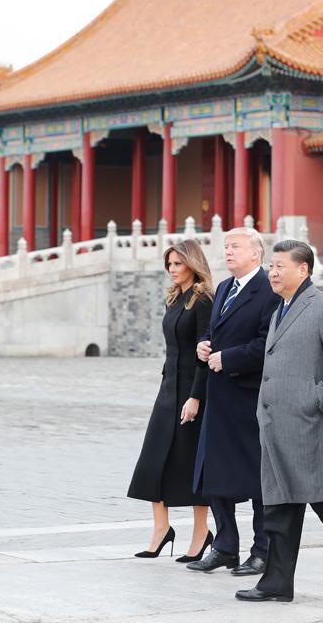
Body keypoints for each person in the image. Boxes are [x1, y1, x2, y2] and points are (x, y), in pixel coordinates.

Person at [235, 240, 323, 603]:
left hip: (308, 425)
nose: (273, 272)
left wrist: (317, 399)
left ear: (304, 269)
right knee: (278, 508)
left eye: (281, 266)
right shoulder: (280, 308)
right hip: (275, 423)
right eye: (272, 266)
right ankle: (276, 582)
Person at [188, 227, 278, 576]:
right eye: (226, 247)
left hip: (248, 397)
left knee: (255, 479)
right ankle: (225, 545)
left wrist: (229, 358)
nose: (228, 252)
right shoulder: (224, 288)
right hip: (218, 396)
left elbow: (266, 344)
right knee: (214, 473)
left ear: (256, 253)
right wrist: (204, 346)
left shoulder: (267, 291)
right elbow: (214, 332)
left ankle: (262, 550)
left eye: (236, 247)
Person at [127, 240, 214, 561]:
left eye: (178, 263)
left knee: (190, 465)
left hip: (191, 393)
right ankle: (162, 529)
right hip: (168, 390)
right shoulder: (175, 298)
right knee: (152, 461)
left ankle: (202, 533)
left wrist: (195, 397)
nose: (172, 270)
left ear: (193, 263)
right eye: (170, 264)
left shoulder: (203, 300)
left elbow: (205, 352)